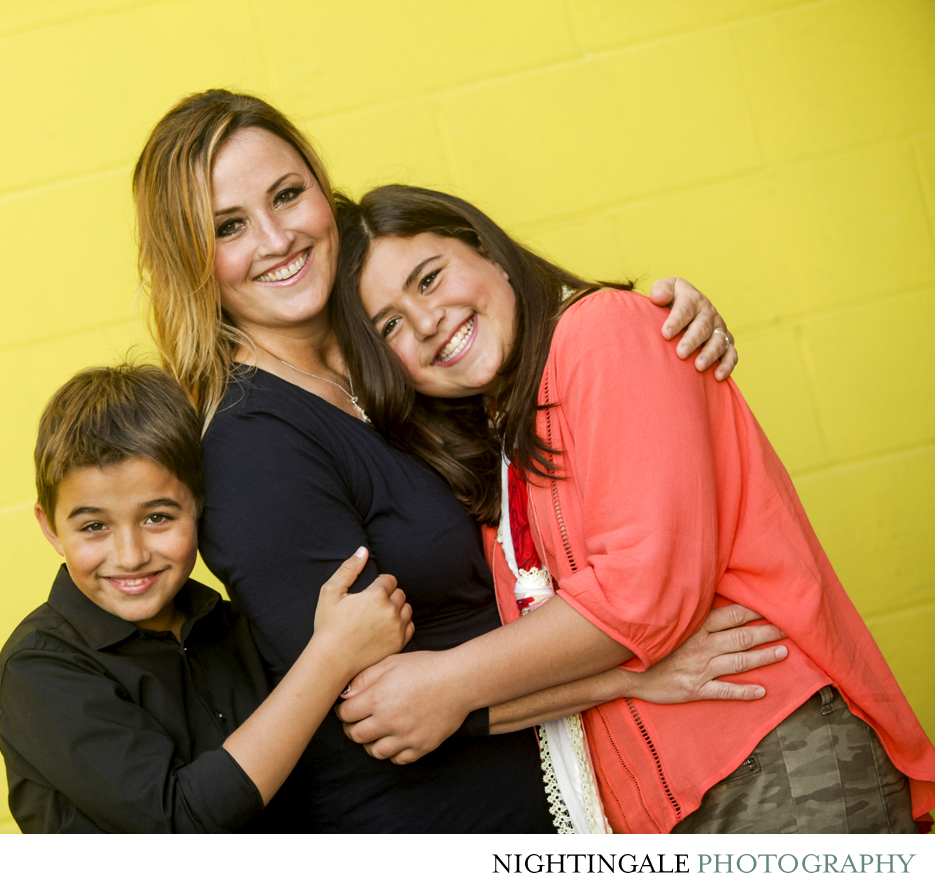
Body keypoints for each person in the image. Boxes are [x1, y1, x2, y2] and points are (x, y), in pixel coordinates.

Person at [130, 89, 777, 833]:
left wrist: (657, 323)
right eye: (229, 226)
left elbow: (552, 389)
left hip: (574, 796)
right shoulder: (247, 444)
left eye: (287, 195)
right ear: (189, 258)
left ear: (319, 184)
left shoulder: (392, 348)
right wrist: (632, 674)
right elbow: (378, 704)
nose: (277, 239)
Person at [332, 183, 935, 833]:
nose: (426, 322)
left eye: (429, 279)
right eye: (389, 325)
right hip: (666, 814)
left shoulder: (602, 331)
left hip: (770, 758)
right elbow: (542, 655)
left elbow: (644, 596)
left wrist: (446, 682)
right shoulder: (502, 442)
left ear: (489, 252)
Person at [0, 363, 414, 832]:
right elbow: (179, 824)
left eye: (157, 518)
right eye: (94, 526)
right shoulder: (41, 667)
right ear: (51, 527)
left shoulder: (232, 626)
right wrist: (331, 654)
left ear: (198, 506)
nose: (130, 557)